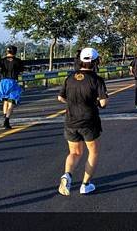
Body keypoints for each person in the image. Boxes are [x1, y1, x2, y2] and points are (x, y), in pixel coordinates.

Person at [57, 47, 108, 196]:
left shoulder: (70, 78)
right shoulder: (97, 80)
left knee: (74, 152)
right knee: (93, 152)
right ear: (95, 61)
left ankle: (67, 175)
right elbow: (104, 102)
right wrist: (96, 103)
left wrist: (72, 102)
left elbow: (60, 97)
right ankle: (85, 184)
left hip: (71, 121)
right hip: (89, 122)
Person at [0, 45, 25, 129]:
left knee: (5, 100)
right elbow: (21, 72)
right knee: (11, 102)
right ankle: (6, 121)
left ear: (7, 52)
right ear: (15, 52)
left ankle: (4, 117)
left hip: (3, 82)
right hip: (12, 82)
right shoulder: (18, 61)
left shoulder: (2, 60)